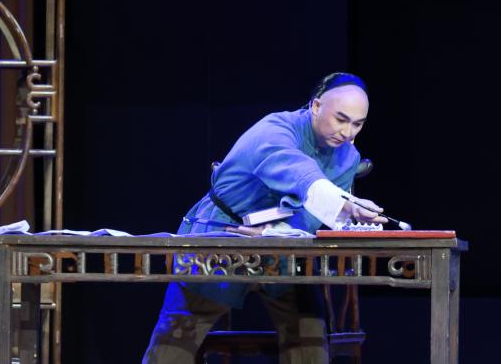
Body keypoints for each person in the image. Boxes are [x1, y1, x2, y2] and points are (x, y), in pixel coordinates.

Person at [140, 72, 388, 364]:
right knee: (178, 333)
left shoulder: (348, 157)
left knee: (309, 330)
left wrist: (281, 231)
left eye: (357, 124)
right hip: (224, 235)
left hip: (283, 246)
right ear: (316, 106)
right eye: (341, 119)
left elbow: (314, 216)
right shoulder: (275, 130)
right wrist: (346, 204)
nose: (347, 132)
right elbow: (298, 172)